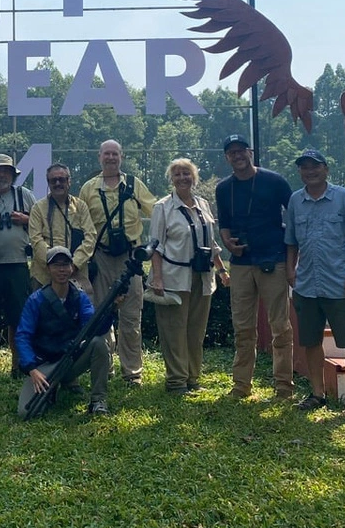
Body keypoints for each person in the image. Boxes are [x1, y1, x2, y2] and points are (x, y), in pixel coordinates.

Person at [285, 149, 345, 421]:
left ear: (326, 169)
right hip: (307, 284)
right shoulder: (295, 201)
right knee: (311, 342)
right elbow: (291, 241)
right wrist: (290, 269)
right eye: (304, 167)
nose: (309, 171)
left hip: (339, 284)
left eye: (315, 166)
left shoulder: (344, 198)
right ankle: (317, 393)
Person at [215, 133, 295, 399]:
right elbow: (223, 224)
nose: (237, 156)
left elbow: (295, 215)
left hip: (274, 259)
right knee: (243, 327)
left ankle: (283, 387)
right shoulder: (224, 188)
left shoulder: (274, 181)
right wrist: (227, 242)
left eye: (241, 151)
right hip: (240, 263)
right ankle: (241, 386)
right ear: (227, 157)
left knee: (280, 326)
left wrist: (294, 255)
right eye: (231, 153)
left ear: (250, 152)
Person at [79, 139, 156, 385]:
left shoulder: (134, 185)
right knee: (101, 316)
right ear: (99, 157)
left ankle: (132, 373)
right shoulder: (88, 188)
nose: (111, 158)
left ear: (121, 156)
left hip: (130, 259)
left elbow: (156, 212)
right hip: (100, 257)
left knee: (131, 317)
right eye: (106, 154)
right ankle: (105, 367)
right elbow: (80, 224)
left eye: (115, 154)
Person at [148, 158, 227, 394]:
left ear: (194, 177)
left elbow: (210, 242)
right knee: (174, 331)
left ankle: (193, 378)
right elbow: (156, 245)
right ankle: (176, 381)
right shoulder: (162, 207)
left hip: (202, 277)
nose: (183, 178)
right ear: (171, 179)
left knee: (195, 330)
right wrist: (158, 279)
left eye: (187, 174)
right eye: (177, 174)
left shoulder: (203, 204)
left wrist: (221, 269)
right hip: (173, 277)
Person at [15, 246, 113, 417]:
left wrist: (113, 308)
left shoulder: (80, 297)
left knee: (99, 344)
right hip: (44, 365)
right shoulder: (36, 300)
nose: (61, 270)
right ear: (48, 269)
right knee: (27, 412)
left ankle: (98, 400)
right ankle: (51, 388)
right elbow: (23, 336)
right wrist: (32, 369)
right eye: (56, 265)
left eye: (65, 265)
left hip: (69, 360)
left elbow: (94, 328)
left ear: (71, 267)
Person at [0, 153, 36, 378]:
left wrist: (27, 220)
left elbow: (42, 222)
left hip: (17, 264)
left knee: (18, 318)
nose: (1, 175)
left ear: (13, 175)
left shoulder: (24, 195)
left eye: (5, 171)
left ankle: (18, 365)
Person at [27, 163, 95, 291]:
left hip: (76, 275)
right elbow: (36, 240)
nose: (58, 183)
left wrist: (73, 265)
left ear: (69, 181)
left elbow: (90, 237)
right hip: (44, 275)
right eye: (53, 180)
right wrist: (53, 266)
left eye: (62, 179)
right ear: (48, 183)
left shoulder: (81, 206)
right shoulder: (38, 208)